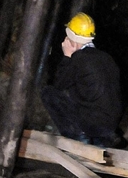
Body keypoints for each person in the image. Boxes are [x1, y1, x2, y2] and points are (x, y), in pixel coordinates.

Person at [41, 12, 123, 147]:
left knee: (49, 93)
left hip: (95, 123)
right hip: (111, 123)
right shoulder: (106, 57)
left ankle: (79, 136)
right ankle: (104, 137)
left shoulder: (78, 59)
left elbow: (59, 84)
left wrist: (67, 56)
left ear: (71, 38)